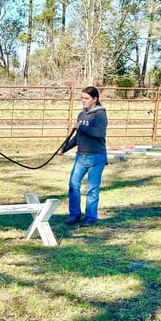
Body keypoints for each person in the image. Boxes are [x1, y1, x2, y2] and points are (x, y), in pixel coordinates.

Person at [59, 86, 108, 226]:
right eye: (82, 98)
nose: (83, 101)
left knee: (91, 189)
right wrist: (65, 147)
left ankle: (90, 218)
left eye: (87, 98)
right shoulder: (81, 115)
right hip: (81, 157)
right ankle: (74, 215)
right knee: (73, 185)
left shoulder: (100, 114)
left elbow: (99, 133)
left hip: (96, 157)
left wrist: (82, 127)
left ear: (95, 99)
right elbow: (77, 137)